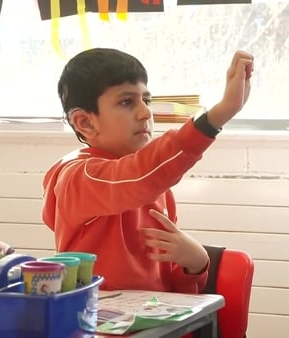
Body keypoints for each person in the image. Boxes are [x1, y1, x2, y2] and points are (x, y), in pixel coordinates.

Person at [42, 48, 253, 292]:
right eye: (127, 102)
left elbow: (179, 294)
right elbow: (138, 177)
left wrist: (196, 263)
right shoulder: (77, 176)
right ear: (85, 122)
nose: (146, 113)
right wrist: (220, 113)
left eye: (147, 100)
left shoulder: (157, 187)